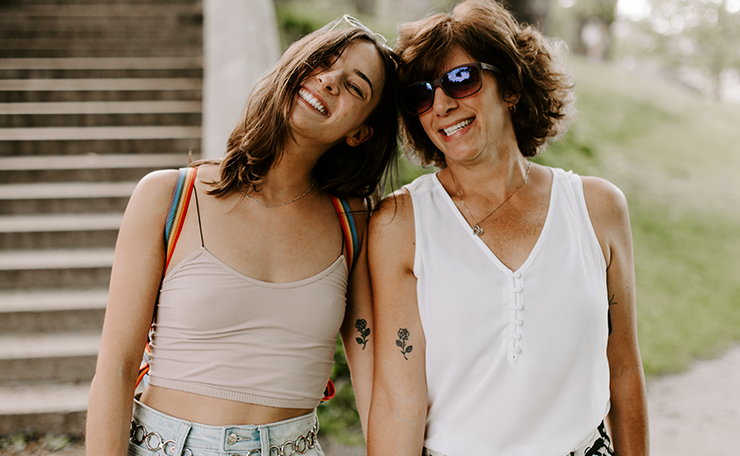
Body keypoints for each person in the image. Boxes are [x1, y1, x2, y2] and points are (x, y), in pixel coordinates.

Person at [86, 15, 398, 456]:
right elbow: (116, 370)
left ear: (360, 132)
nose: (330, 81)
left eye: (355, 87)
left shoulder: (356, 223)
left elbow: (375, 384)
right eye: (323, 61)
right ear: (294, 64)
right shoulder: (169, 197)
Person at [367, 1, 649, 455]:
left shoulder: (598, 208)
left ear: (512, 87)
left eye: (461, 79)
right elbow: (398, 399)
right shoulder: (401, 224)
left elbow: (624, 371)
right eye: (420, 94)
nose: (441, 104)